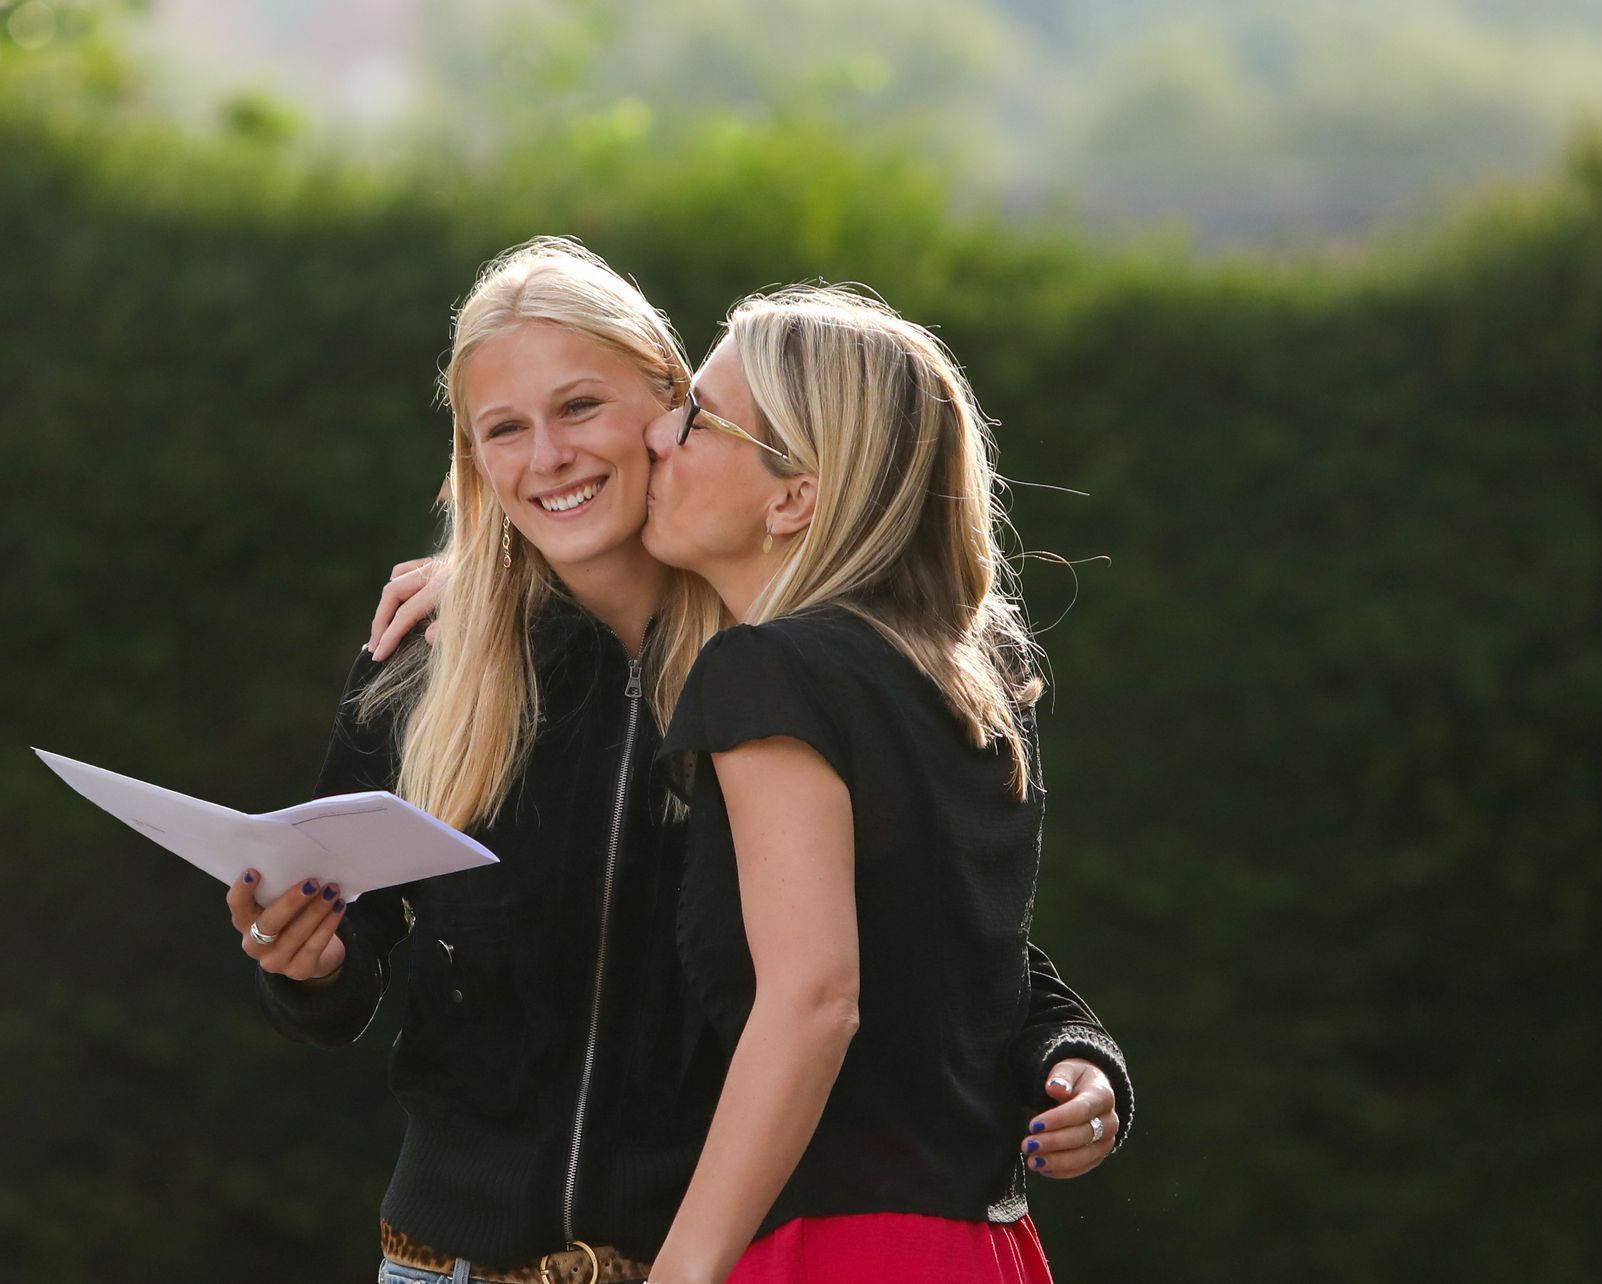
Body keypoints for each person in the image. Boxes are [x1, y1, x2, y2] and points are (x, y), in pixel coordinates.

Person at [228, 240, 1130, 1284]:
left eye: (579, 409)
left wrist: (1071, 1050)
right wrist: (310, 963)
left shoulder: (781, 662)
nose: (546, 458)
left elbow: (925, 938)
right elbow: (351, 955)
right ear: (473, 461)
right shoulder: (421, 659)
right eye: (504, 431)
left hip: (708, 1253)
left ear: (669, 408)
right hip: (453, 1262)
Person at [637, 285, 1103, 1283]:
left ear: (793, 496)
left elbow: (814, 999)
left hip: (837, 1252)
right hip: (983, 1246)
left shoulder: (768, 672)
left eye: (693, 418)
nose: (654, 440)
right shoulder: (960, 681)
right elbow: (957, 962)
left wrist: (678, 1274)